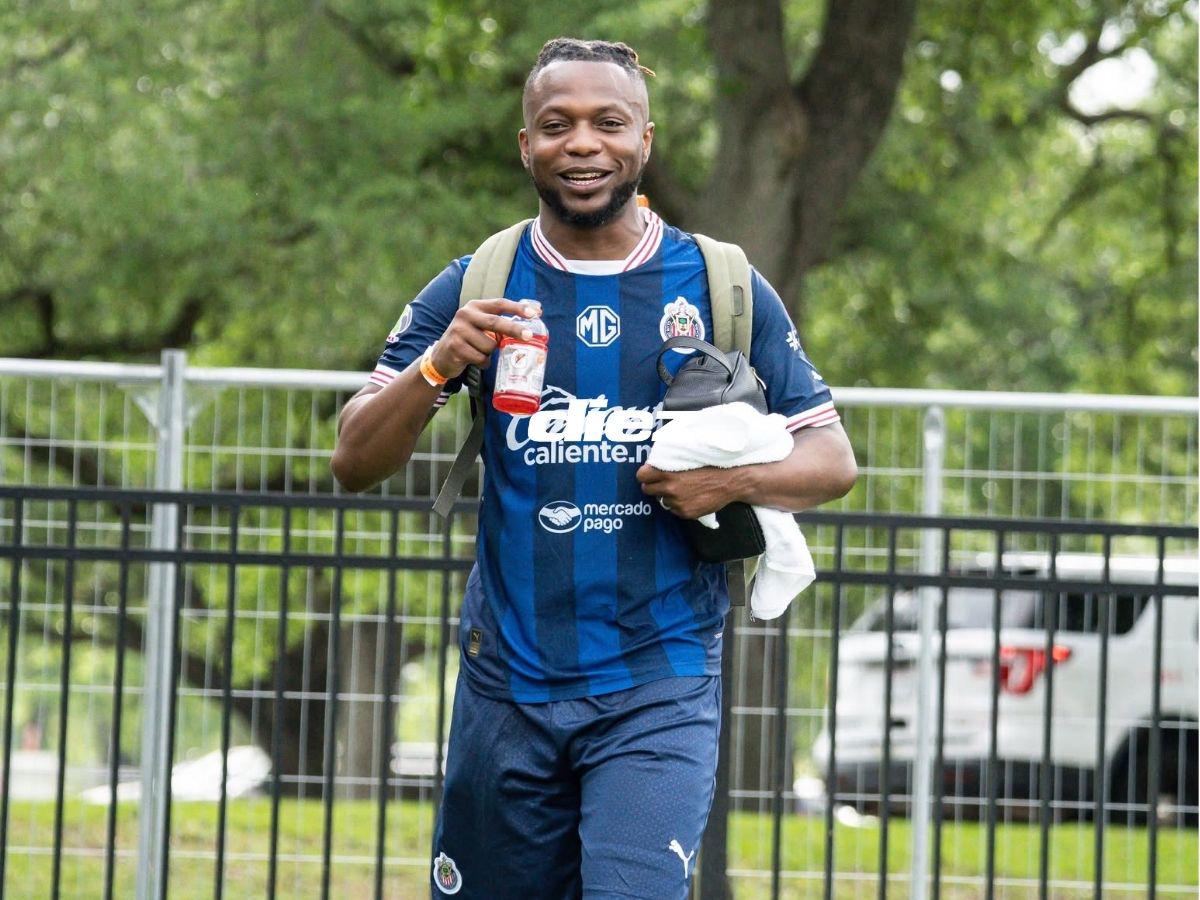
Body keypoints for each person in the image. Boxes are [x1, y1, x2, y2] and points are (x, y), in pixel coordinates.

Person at [331, 37, 857, 900]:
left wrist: (729, 483)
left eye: (608, 122)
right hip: (508, 682)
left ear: (644, 141)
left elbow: (831, 459)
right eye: (556, 124)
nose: (582, 143)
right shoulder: (479, 283)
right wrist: (438, 366)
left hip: (660, 679)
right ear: (525, 146)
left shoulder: (723, 284)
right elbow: (353, 458)